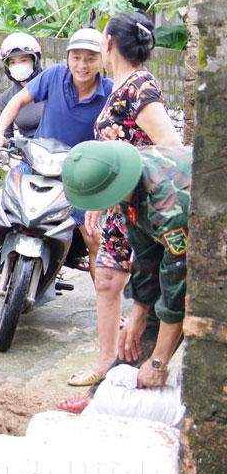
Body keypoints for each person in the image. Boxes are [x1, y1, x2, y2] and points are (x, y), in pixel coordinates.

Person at [60, 12, 182, 398]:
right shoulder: (121, 85)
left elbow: (171, 148)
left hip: (146, 198)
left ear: (109, 43)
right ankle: (110, 366)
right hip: (123, 200)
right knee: (111, 277)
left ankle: (134, 363)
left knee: (136, 279)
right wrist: (105, 192)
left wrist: (133, 185)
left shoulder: (140, 88)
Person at [61, 141, 190, 389]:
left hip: (211, 238)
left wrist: (158, 362)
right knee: (137, 332)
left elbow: (178, 290)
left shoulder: (167, 207)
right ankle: (103, 395)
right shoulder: (127, 173)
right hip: (185, 237)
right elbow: (146, 254)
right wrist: (138, 313)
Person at [0, 27, 112, 275]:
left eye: (90, 58)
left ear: (103, 60)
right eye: (76, 57)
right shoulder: (54, 76)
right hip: (36, 164)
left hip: (80, 176)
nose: (82, 65)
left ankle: (104, 309)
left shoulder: (109, 91)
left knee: (94, 237)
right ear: (67, 59)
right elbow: (18, 101)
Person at [0, 33, 45, 246]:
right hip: (27, 162)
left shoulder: (50, 87)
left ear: (35, 60)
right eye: (12, 62)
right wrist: (11, 158)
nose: (18, 65)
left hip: (57, 161)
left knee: (89, 231)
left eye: (24, 59)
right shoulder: (6, 98)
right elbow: (6, 137)